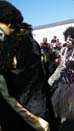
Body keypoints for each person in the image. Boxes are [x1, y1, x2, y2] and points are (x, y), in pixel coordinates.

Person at [0, 1, 57, 131]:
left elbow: (28, 82)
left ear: (9, 23)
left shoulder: (26, 43)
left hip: (29, 111)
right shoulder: (7, 42)